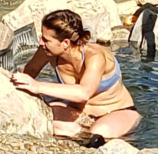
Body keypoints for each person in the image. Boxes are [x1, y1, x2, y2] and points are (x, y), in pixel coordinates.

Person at [12, 9, 141, 146]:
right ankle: (80, 138)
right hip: (79, 115)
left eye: (46, 39)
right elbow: (28, 72)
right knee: (44, 118)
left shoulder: (95, 56)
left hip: (115, 112)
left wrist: (37, 86)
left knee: (100, 132)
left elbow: (84, 93)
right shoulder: (47, 51)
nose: (40, 42)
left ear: (65, 43)